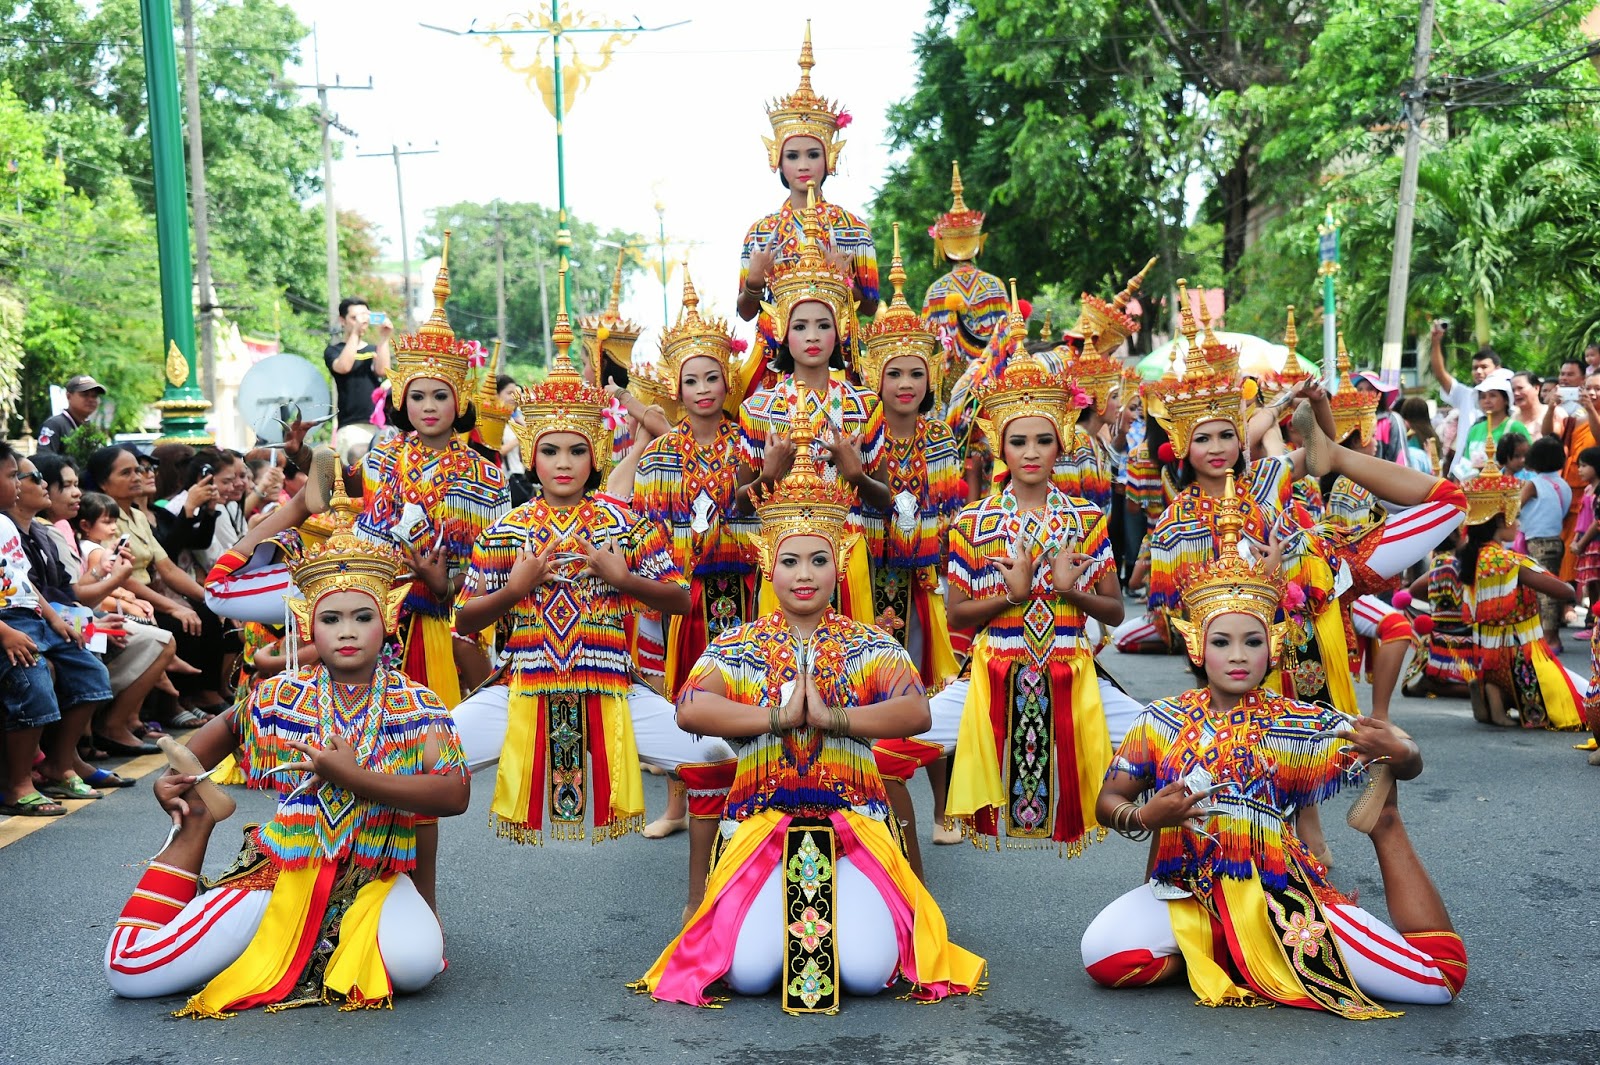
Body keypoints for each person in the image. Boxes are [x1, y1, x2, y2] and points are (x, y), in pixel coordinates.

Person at [1081, 476, 1468, 1018]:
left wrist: (1405, 758)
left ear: (1274, 646)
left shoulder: (1299, 723)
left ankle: (1384, 833)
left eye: (1253, 641)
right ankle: (1232, 953)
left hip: (1280, 897)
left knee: (1436, 979)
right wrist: (1146, 815)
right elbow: (1108, 802)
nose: (1237, 655)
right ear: (1198, 646)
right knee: (1103, 957)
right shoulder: (1159, 720)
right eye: (1221, 641)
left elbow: (1396, 747)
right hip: (1186, 892)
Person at [631, 439, 985, 1014]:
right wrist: (777, 717)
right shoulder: (738, 643)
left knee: (869, 975)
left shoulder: (867, 641)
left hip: (855, 831)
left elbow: (915, 711)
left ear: (839, 563)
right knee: (746, 975)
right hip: (761, 829)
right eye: (790, 561)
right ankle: (794, 916)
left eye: (818, 560)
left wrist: (834, 720)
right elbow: (690, 707)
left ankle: (844, 911)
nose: (804, 575)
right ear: (768, 564)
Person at [103, 514, 469, 1016]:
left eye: (363, 617)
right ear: (307, 624)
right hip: (280, 874)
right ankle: (195, 840)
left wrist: (354, 778)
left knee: (415, 966)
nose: (347, 632)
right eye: (331, 618)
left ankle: (329, 941)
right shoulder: (278, 696)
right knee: (131, 972)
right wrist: (178, 782)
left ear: (387, 617)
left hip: (375, 879)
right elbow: (222, 733)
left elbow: (453, 795)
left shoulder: (420, 704)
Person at [450, 277, 698, 848]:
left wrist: (624, 579)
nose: (564, 463)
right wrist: (515, 590)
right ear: (532, 455)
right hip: (521, 685)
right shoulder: (507, 531)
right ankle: (395, 899)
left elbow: (681, 598)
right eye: (551, 450)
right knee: (415, 757)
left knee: (712, 757)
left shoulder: (626, 524)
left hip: (614, 683)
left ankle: (704, 905)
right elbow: (465, 623)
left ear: (596, 455)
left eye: (577, 450)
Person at [943, 352, 1131, 855]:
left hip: (1073, 669)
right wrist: (1011, 596)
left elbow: (1114, 611)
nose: (1031, 452)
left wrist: (1072, 592)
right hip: (991, 672)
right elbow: (956, 615)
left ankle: (1177, 878)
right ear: (1000, 445)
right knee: (893, 747)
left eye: (1043, 440)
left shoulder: (1085, 518)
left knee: (1170, 746)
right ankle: (901, 889)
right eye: (1019, 441)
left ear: (1060, 443)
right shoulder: (973, 522)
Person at [630, 267, 754, 876]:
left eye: (712, 377)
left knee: (748, 688)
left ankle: (750, 790)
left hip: (744, 585)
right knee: (686, 692)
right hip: (689, 593)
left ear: (726, 382)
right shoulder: (660, 452)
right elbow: (651, 527)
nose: (703, 388)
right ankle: (681, 797)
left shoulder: (751, 446)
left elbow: (767, 513)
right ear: (675, 389)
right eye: (691, 379)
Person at [354, 239, 510, 710]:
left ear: (459, 401)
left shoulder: (485, 475)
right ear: (402, 399)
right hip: (387, 619)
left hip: (454, 624)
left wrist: (444, 583)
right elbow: (369, 544)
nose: (428, 407)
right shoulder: (381, 460)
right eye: (417, 396)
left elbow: (494, 570)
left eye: (439, 396)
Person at [735, 183, 891, 619]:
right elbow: (741, 502)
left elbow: (885, 500)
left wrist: (855, 475)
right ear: (783, 331)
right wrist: (769, 475)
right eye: (800, 326)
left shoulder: (863, 406)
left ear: (839, 330)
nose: (812, 336)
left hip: (847, 553)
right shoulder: (759, 409)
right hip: (783, 557)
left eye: (822, 325)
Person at [733, 23, 877, 399]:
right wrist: (754, 281)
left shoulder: (853, 228)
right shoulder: (760, 232)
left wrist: (847, 282)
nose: (803, 165)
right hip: (772, 364)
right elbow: (747, 311)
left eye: (813, 154)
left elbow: (871, 305)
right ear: (776, 160)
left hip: (838, 361)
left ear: (830, 158)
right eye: (792, 155)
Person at [0, 448, 115, 810]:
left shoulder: (4, 526)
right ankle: (17, 785)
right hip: (7, 624)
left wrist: (53, 618)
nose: (18, 483)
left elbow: (21, 582)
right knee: (30, 681)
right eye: (11, 475)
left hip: (30, 616)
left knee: (91, 675)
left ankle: (58, 764)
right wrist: (5, 633)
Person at [1456, 457, 1585, 729]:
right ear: (1501, 519)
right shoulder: (1507, 561)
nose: (1519, 522)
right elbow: (1563, 591)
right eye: (1516, 515)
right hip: (1520, 654)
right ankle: (1501, 697)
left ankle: (1493, 694)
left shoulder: (1472, 557)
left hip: (1486, 653)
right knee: (1577, 705)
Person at [920, 162, 1008, 385]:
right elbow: (1009, 340)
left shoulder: (935, 291)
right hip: (993, 381)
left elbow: (928, 347)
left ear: (942, 246)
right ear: (978, 242)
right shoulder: (994, 285)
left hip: (951, 388)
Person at [325, 296, 395, 466]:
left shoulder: (372, 349)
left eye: (364, 316)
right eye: (354, 317)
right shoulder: (334, 350)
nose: (360, 321)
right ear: (342, 320)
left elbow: (383, 371)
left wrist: (384, 338)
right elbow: (343, 367)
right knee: (353, 474)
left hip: (378, 424)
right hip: (350, 425)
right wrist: (355, 333)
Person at [1517, 435, 1572, 651]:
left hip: (1537, 540)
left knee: (1543, 590)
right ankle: (1550, 635)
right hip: (1556, 539)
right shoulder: (1563, 484)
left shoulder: (1534, 484)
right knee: (1551, 586)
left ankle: (1550, 638)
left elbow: (1515, 507)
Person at [36, 374, 107, 455]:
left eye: (94, 396)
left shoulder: (92, 429)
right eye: (84, 394)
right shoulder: (54, 425)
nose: (91, 399)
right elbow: (44, 458)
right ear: (68, 396)